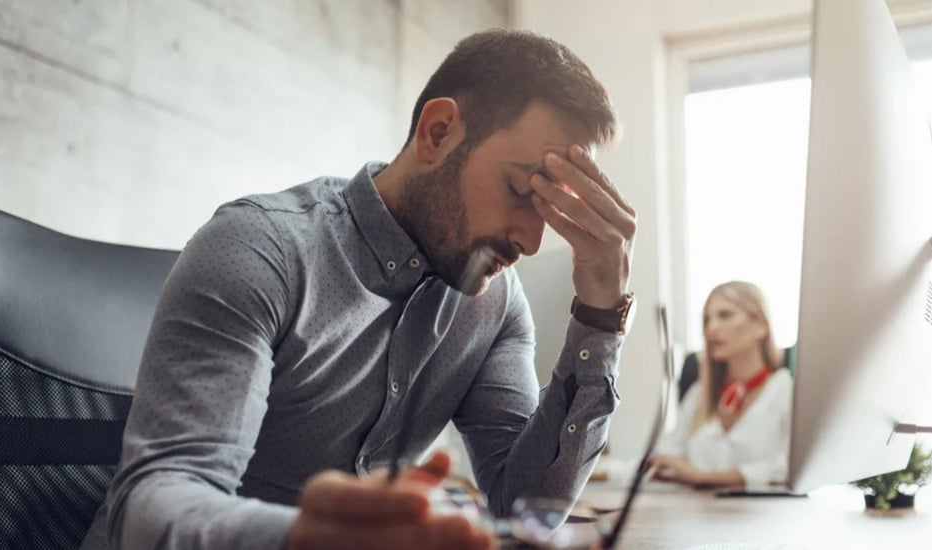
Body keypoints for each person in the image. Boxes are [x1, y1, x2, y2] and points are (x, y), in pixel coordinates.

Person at [80, 29, 638, 550]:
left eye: (551, 210)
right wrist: (305, 537)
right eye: (521, 191)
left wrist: (601, 312)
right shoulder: (260, 248)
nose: (532, 240)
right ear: (438, 132)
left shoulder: (492, 302)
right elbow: (148, 508)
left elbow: (524, 506)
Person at [648, 281, 792, 490]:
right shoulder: (699, 393)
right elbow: (666, 454)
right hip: (699, 517)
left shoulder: (785, 390)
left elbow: (789, 467)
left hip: (763, 518)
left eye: (725, 315)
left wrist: (704, 477)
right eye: (707, 319)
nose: (711, 328)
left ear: (761, 325)